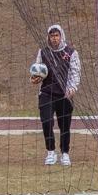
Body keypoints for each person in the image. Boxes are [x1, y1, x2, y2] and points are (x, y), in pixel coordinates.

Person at [32, 23, 81, 167]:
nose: (54, 38)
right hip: (47, 93)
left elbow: (75, 72)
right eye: (52, 36)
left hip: (64, 95)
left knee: (64, 125)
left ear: (61, 36)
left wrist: (72, 88)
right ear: (48, 37)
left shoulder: (71, 52)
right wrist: (34, 78)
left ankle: (65, 153)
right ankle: (50, 152)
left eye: (56, 35)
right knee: (47, 122)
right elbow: (37, 70)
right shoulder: (43, 52)